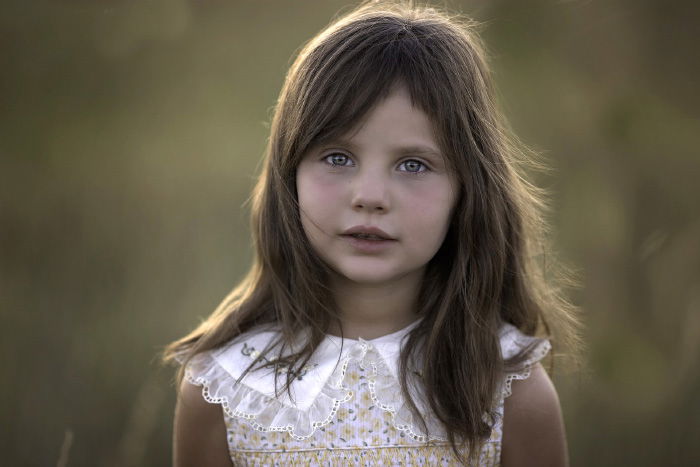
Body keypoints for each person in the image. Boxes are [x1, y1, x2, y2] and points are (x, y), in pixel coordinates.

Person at [163, 1, 580, 465]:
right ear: (290, 173)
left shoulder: (509, 389)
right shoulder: (223, 389)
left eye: (413, 164)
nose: (371, 196)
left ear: (467, 188)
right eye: (338, 157)